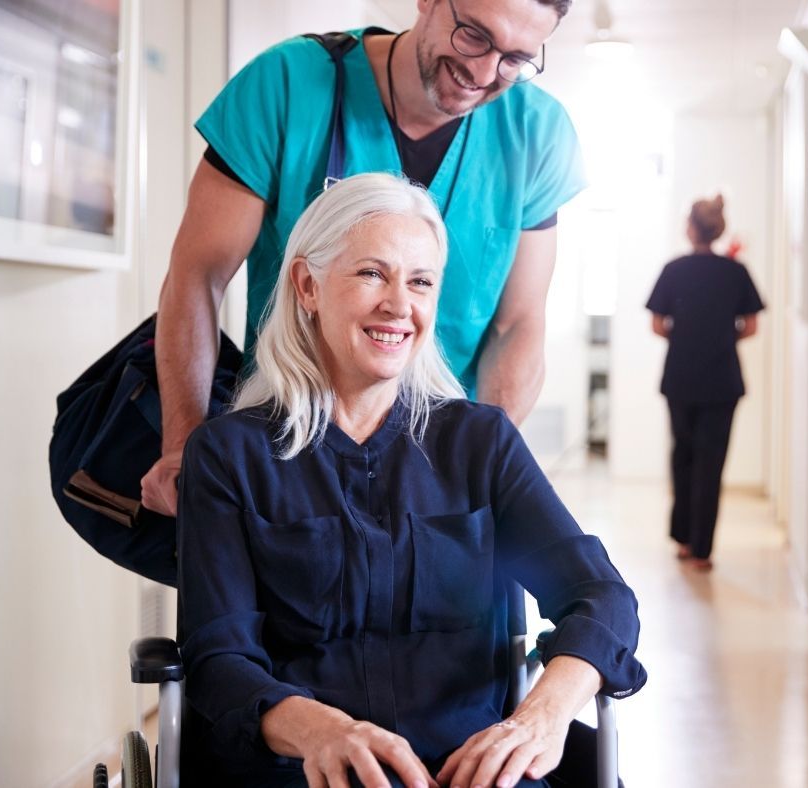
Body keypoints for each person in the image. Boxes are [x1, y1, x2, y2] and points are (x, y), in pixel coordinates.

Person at [177, 174, 646, 787]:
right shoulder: (228, 455)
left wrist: (541, 717)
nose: (400, 305)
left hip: (469, 768)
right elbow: (219, 659)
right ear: (308, 285)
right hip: (303, 770)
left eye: (420, 281)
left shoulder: (479, 443)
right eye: (373, 273)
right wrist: (323, 730)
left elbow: (601, 597)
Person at [142, 0, 586, 517]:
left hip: (439, 472)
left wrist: (475, 462)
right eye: (474, 35)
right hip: (285, 457)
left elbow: (518, 323)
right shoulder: (288, 85)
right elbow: (196, 277)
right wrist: (187, 446)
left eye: (515, 59)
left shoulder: (537, 133)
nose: (485, 73)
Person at [645, 195, 764, 571]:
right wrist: (722, 338)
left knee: (683, 455)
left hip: (681, 376)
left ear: (691, 228)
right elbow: (752, 325)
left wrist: (686, 337)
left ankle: (682, 538)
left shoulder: (674, 269)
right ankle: (702, 550)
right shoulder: (736, 271)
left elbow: (657, 324)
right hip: (722, 380)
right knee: (711, 463)